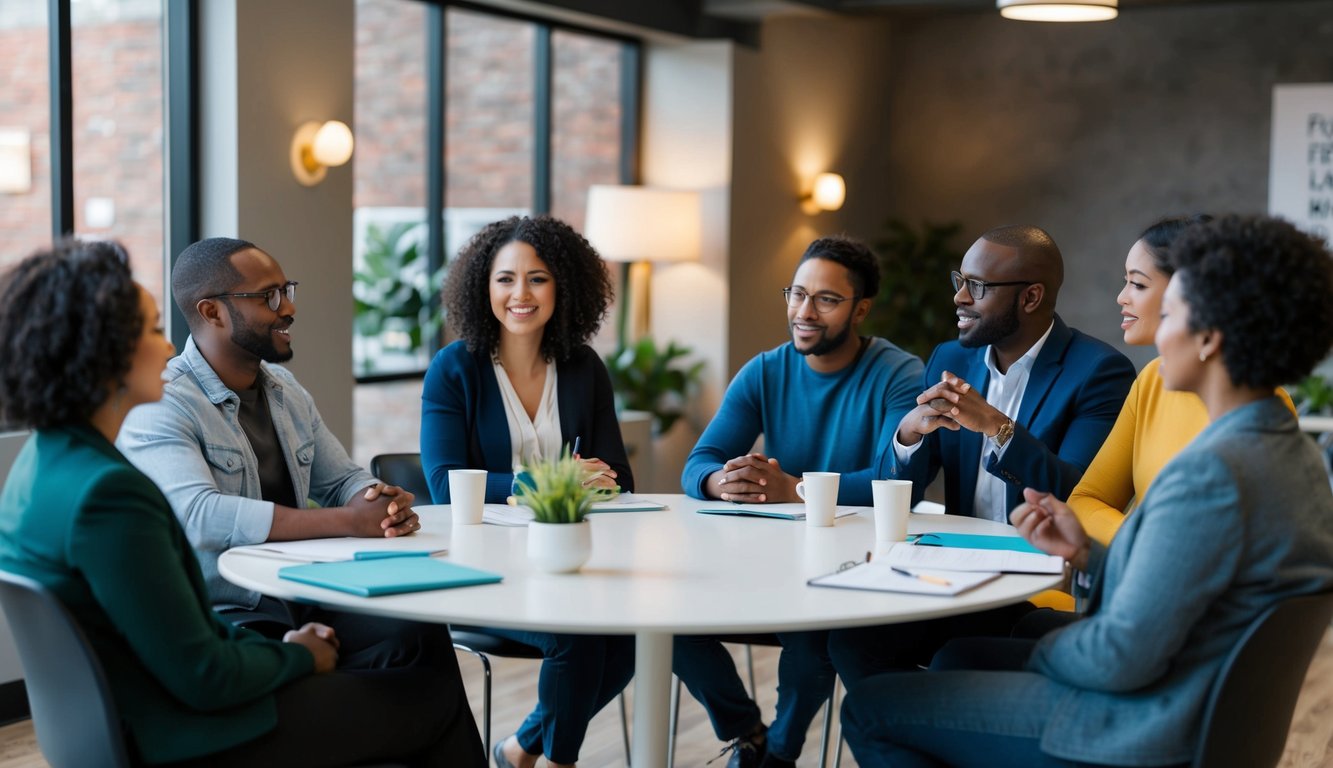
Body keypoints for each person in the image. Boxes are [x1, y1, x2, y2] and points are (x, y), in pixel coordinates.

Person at [840, 213, 1333, 768]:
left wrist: (1041, 652)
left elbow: (1118, 658)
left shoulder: (1209, 475)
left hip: (1138, 725)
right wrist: (1086, 554)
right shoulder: (1296, 457)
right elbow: (1183, 588)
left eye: (1167, 311)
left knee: (871, 709)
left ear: (1210, 337)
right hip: (1193, 707)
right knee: (963, 652)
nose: (1153, 325)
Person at [0, 239, 484, 766]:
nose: (167, 349)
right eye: (153, 329)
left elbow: (185, 643)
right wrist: (297, 656)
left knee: (412, 644)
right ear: (99, 354)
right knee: (429, 701)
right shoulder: (108, 496)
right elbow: (205, 674)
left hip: (142, 721)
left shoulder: (41, 465)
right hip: (189, 737)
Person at [118, 237, 462, 678]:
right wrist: (347, 521)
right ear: (211, 312)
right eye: (268, 297)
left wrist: (378, 502)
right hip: (230, 613)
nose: (288, 308)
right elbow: (201, 515)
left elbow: (341, 481)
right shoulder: (164, 401)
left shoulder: (285, 389)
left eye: (287, 290)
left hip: (305, 590)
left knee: (419, 636)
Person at [827, 224, 1136, 687]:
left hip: (1029, 583)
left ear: (1030, 298)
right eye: (960, 281)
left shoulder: (1098, 372)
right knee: (848, 643)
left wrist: (997, 426)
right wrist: (906, 437)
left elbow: (1076, 493)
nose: (959, 298)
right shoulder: (951, 357)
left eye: (978, 287)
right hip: (952, 572)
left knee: (951, 659)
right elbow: (901, 490)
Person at [678, 235, 924, 768]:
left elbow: (894, 479)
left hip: (855, 570)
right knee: (667, 622)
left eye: (826, 300)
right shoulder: (766, 370)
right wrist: (723, 481)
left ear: (861, 309)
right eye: (797, 293)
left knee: (814, 633)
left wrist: (796, 489)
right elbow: (699, 462)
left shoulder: (899, 375)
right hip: (769, 563)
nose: (804, 312)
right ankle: (747, 732)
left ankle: (778, 755)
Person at [420, 215, 633, 768]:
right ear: (482, 287)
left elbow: (619, 479)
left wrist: (586, 481)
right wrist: (551, 482)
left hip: (569, 561)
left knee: (635, 638)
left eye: (538, 278)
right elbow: (446, 486)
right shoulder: (454, 369)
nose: (520, 294)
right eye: (505, 279)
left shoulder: (584, 368)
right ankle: (558, 761)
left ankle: (519, 749)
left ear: (563, 286)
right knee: (578, 639)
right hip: (482, 570)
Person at [1067, 214, 1293, 546]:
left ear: (1195, 299)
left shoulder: (1261, 408)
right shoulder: (1151, 380)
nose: (1121, 297)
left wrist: (1142, 547)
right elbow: (1084, 501)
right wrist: (1141, 543)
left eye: (1138, 284)